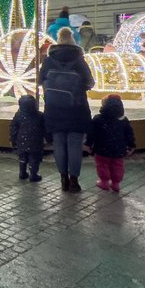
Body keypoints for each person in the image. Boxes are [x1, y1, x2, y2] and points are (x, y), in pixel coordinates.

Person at [40, 27, 95, 192]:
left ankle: (63, 178)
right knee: (74, 145)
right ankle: (74, 180)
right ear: (73, 40)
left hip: (54, 108)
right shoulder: (79, 60)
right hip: (76, 109)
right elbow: (90, 83)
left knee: (59, 144)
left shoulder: (49, 60)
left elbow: (40, 80)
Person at [85, 94, 135, 192]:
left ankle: (104, 182)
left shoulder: (98, 119)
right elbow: (129, 134)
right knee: (117, 165)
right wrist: (131, 145)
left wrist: (88, 144)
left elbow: (91, 134)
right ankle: (116, 183)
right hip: (118, 149)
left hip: (101, 149)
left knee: (102, 165)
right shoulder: (123, 120)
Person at [9, 95, 47, 182]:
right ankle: (33, 175)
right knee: (34, 158)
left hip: (21, 141)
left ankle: (22, 173)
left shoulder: (18, 115)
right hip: (36, 142)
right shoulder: (40, 115)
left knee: (22, 157)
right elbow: (45, 128)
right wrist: (48, 139)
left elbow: (13, 127)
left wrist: (12, 139)